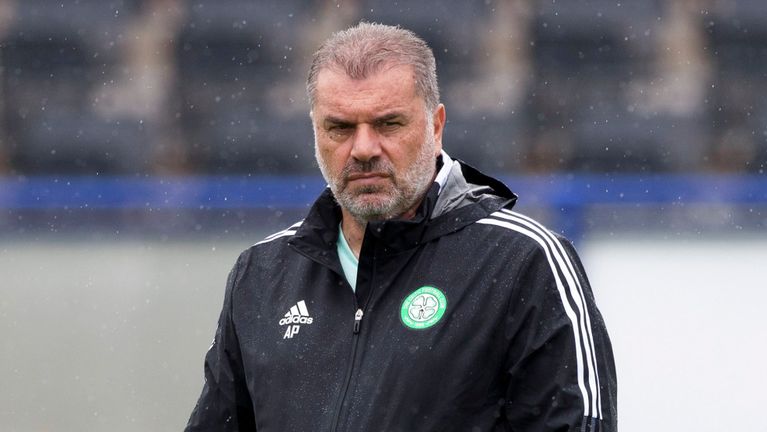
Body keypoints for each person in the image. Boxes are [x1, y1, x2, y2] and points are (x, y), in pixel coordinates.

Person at [185, 22, 617, 431]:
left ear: (436, 126)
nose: (364, 148)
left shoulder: (524, 261)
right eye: (340, 128)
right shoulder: (262, 274)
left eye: (389, 123)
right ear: (315, 133)